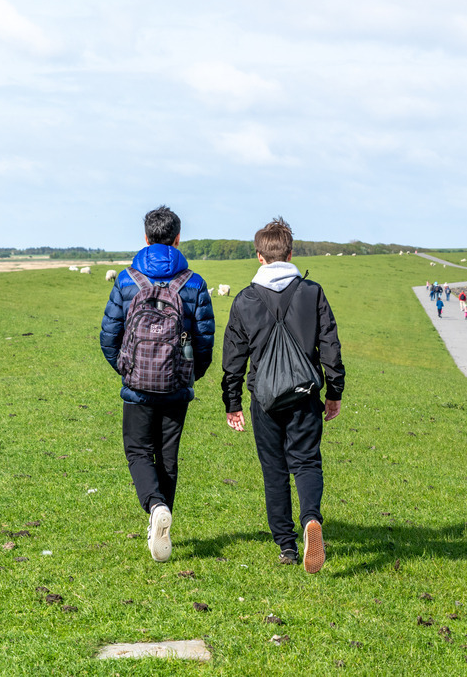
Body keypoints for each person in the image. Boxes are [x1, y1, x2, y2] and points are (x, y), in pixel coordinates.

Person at [222, 218, 345, 573]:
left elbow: (233, 355)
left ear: (259, 256)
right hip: (305, 394)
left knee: (274, 470)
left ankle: (287, 547)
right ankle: (311, 519)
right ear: (290, 253)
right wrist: (334, 390)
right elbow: (330, 345)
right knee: (306, 462)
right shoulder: (312, 292)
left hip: (265, 399)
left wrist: (232, 401)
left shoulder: (245, 298)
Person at [100, 205, 215, 563]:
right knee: (167, 456)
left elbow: (109, 335)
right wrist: (188, 373)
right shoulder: (193, 282)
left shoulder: (125, 280)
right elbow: (205, 339)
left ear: (146, 238)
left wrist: (126, 367)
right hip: (176, 385)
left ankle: (155, 507)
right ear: (178, 238)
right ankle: (161, 520)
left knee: (137, 451)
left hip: (136, 386)